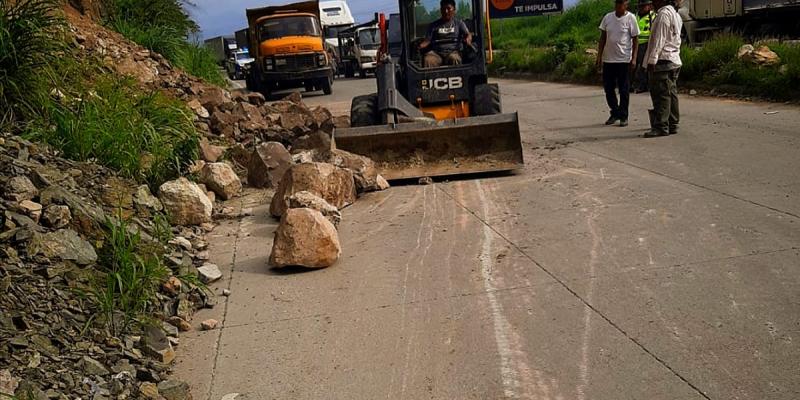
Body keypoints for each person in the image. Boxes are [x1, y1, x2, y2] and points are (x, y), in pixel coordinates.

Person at [596, 0, 640, 127]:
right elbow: (603, 38)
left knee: (624, 89)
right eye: (617, 4)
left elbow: (635, 40)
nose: (618, 7)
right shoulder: (607, 18)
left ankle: (624, 116)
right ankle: (614, 112)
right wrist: (599, 56)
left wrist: (634, 58)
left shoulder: (630, 18)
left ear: (626, 5)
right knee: (608, 88)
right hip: (608, 59)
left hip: (623, 60)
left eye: (621, 4)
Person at [643, 0, 682, 137]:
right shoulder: (675, 14)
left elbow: (659, 39)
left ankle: (661, 126)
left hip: (663, 60)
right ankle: (673, 124)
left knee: (661, 95)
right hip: (673, 59)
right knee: (671, 93)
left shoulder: (664, 14)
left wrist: (652, 60)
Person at [418, 0, 473, 68]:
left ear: (454, 10)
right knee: (428, 60)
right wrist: (420, 46)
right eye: (443, 9)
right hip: (436, 53)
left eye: (448, 8)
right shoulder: (433, 25)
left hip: (453, 51)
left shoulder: (459, 24)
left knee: (455, 59)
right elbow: (427, 41)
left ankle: (457, 78)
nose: (446, 11)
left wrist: (468, 38)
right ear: (441, 10)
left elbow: (468, 34)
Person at [633, 0, 655, 93]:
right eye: (640, 6)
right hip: (636, 43)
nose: (641, 8)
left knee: (643, 66)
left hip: (646, 43)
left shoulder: (652, 16)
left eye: (643, 6)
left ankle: (643, 86)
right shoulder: (635, 16)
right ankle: (632, 84)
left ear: (649, 6)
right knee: (633, 65)